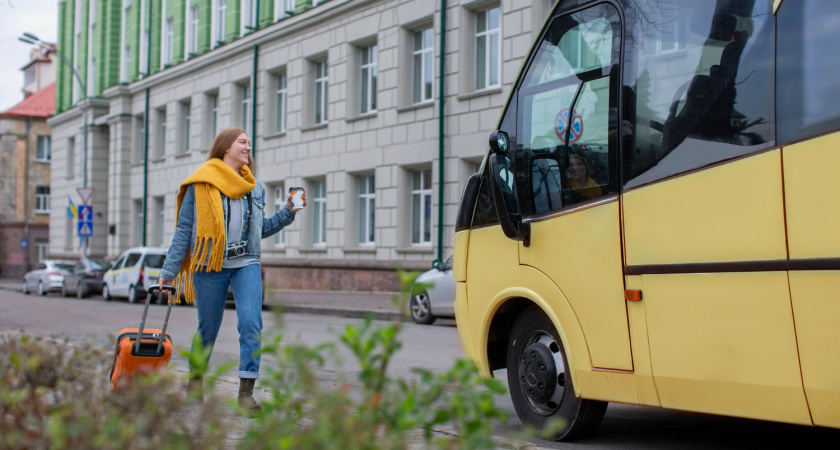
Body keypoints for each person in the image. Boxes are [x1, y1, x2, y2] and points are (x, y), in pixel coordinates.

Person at [157, 127, 305, 411]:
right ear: (226, 147)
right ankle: (195, 384)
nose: (248, 147)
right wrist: (168, 271)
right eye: (242, 142)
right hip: (210, 264)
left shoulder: (255, 187)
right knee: (207, 328)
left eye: (250, 143)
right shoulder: (202, 183)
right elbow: (185, 230)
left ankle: (246, 394)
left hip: (246, 262)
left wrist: (288, 213)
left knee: (251, 325)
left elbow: (260, 230)